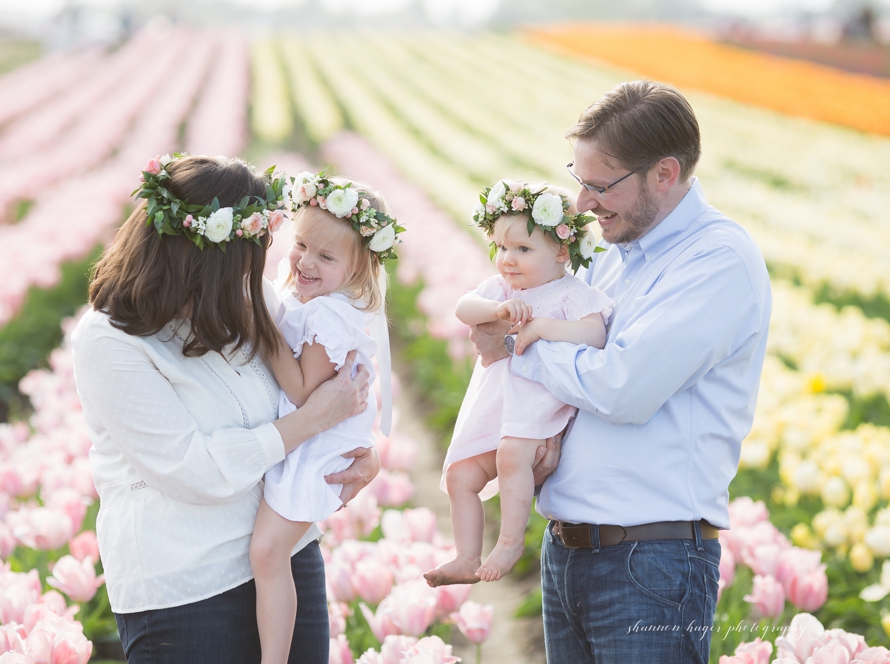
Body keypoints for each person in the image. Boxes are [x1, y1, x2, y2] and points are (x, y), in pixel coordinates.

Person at [475, 80, 770, 662]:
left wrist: (521, 343)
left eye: (600, 185)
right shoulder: (615, 258)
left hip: (649, 564)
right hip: (570, 553)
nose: (582, 202)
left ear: (665, 173)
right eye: (578, 178)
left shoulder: (716, 260)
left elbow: (622, 387)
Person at [70, 154, 376, 664]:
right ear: (195, 262)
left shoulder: (242, 297)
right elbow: (195, 470)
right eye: (241, 262)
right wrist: (310, 421)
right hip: (187, 589)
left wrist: (363, 454)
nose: (253, 276)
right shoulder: (108, 342)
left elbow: (331, 383)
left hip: (287, 558)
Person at [425, 181, 611, 588]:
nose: (508, 260)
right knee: (461, 475)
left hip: (536, 405)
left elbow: (595, 336)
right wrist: (496, 309)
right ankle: (466, 555)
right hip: (497, 406)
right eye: (502, 248)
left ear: (562, 251)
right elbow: (463, 308)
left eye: (523, 250)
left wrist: (544, 327)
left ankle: (510, 542)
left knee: (512, 456)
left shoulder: (572, 293)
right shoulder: (504, 291)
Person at [255, 171, 399, 664]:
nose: (305, 262)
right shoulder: (310, 300)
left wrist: (258, 327)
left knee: (267, 554)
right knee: (273, 554)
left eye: (326, 256)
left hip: (317, 449)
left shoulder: (330, 316)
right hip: (310, 440)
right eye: (300, 245)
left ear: (359, 270)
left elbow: (301, 390)